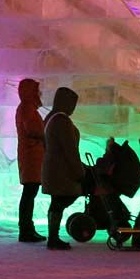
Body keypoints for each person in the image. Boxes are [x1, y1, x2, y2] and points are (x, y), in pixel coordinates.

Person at [41, 87, 84, 250]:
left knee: (57, 202)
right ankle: (53, 238)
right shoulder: (62, 121)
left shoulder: (50, 118)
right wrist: (79, 171)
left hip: (53, 167)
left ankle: (53, 236)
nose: (73, 107)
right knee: (62, 200)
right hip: (62, 170)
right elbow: (70, 149)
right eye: (72, 103)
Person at [15, 78, 46, 243]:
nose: (39, 94)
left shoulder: (27, 108)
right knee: (29, 193)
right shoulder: (27, 109)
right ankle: (26, 230)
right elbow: (33, 130)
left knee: (29, 193)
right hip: (31, 156)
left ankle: (27, 229)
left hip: (32, 156)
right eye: (36, 90)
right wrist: (45, 131)